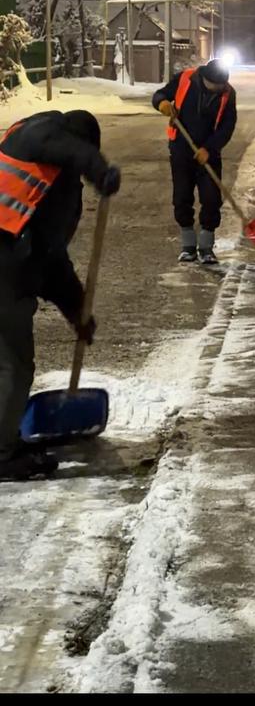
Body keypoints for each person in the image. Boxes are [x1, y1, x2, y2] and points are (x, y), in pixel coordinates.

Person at [0, 110, 121, 482]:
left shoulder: (44, 183)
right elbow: (65, 148)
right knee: (12, 366)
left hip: (13, 263)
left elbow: (51, 261)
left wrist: (77, 312)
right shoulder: (40, 136)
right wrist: (98, 169)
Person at [153, 59, 237, 264]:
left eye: (221, 86)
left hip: (209, 152)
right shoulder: (185, 79)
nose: (219, 89)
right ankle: (188, 246)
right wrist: (162, 103)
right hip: (181, 148)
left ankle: (207, 247)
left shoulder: (227, 92)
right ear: (205, 79)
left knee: (211, 198)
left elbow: (228, 125)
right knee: (182, 196)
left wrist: (209, 148)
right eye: (215, 86)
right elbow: (160, 94)